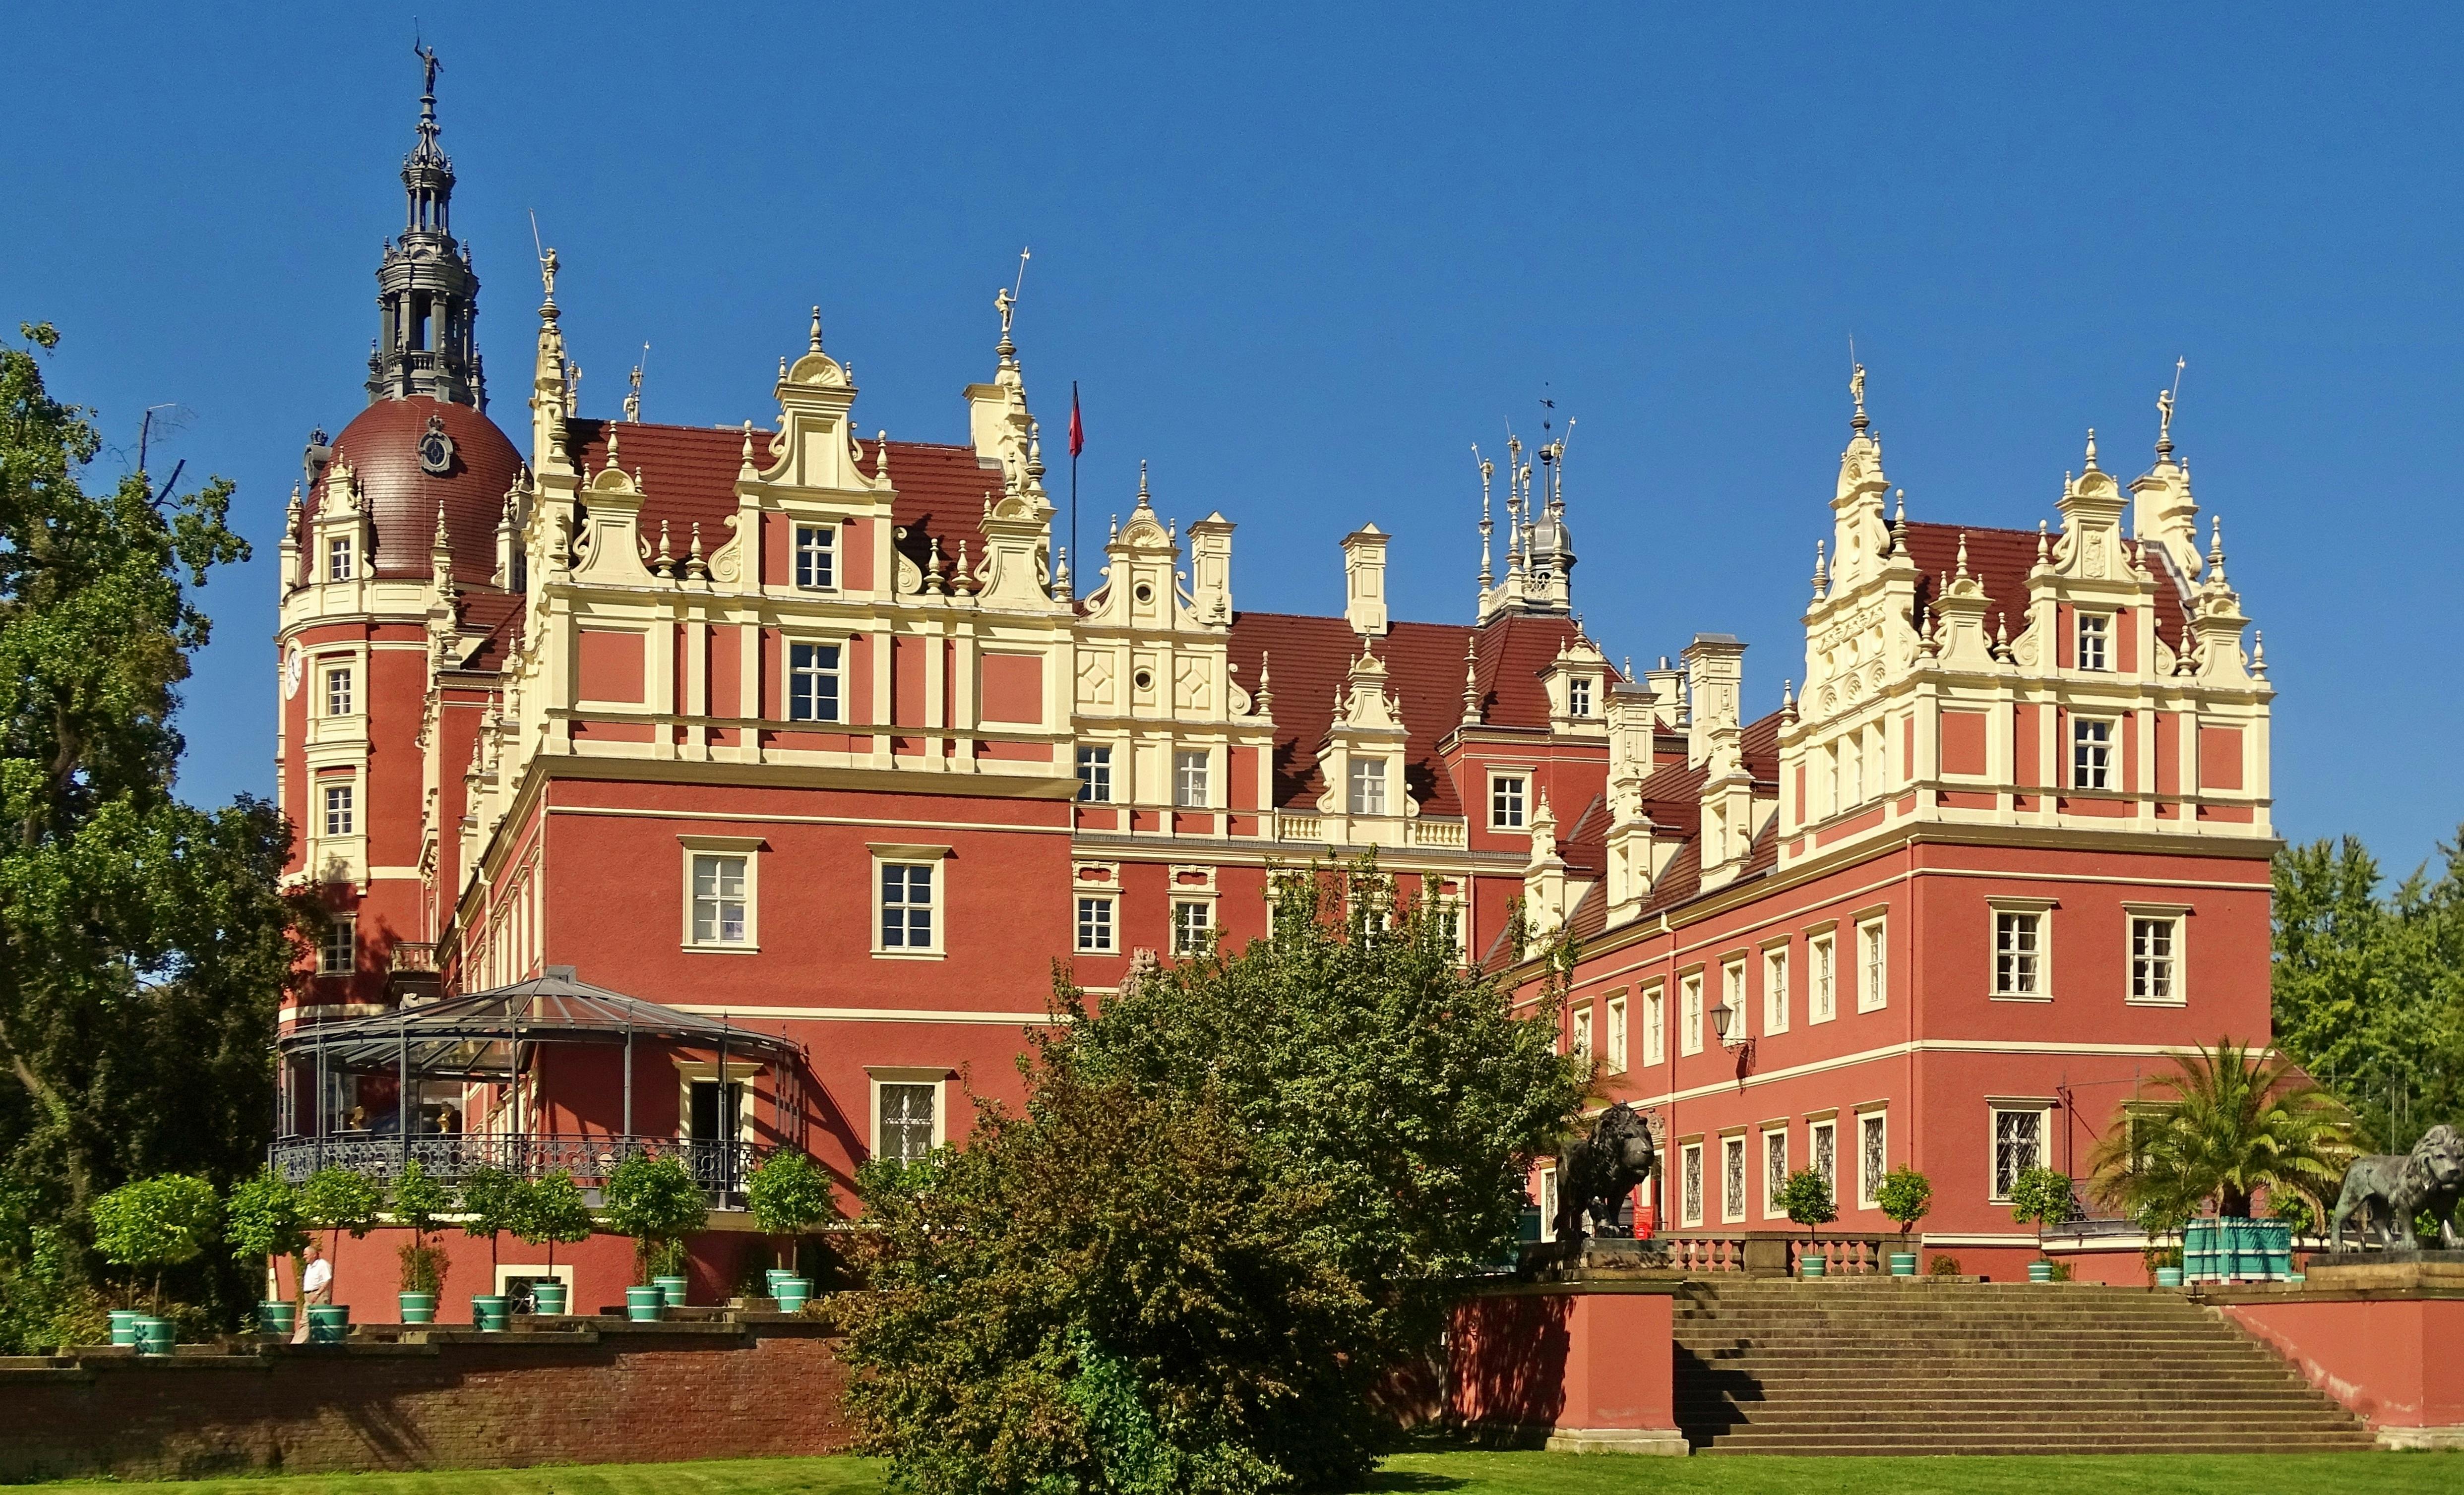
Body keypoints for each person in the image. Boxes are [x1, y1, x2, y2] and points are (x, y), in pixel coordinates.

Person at [293, 1243, 332, 1343]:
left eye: (306, 1254)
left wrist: (318, 1294)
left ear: (314, 1255)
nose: (304, 1257)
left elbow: (327, 1280)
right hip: (308, 1296)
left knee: (320, 1321)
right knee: (305, 1321)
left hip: (319, 1295)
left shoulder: (322, 1264)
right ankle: (296, 1345)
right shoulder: (309, 1267)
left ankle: (322, 1344)